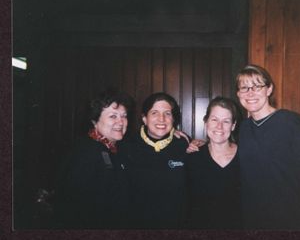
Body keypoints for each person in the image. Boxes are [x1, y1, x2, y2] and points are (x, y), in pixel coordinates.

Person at [236, 64, 300, 230]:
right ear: (238, 94)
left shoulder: (294, 125)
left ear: (269, 90)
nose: (250, 93)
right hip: (254, 220)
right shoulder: (243, 128)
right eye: (244, 87)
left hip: (291, 220)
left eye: (257, 86)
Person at [54, 89, 133, 229]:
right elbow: (74, 210)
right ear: (94, 121)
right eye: (113, 116)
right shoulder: (85, 152)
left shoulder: (117, 148)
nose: (121, 122)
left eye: (124, 116)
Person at [122, 92, 189, 229]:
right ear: (144, 118)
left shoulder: (184, 144)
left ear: (173, 119)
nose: (161, 119)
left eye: (167, 113)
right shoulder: (126, 145)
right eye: (154, 113)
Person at [185, 97, 242, 229]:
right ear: (206, 122)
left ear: (233, 126)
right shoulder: (193, 158)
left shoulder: (246, 157)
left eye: (226, 121)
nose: (219, 127)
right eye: (214, 119)